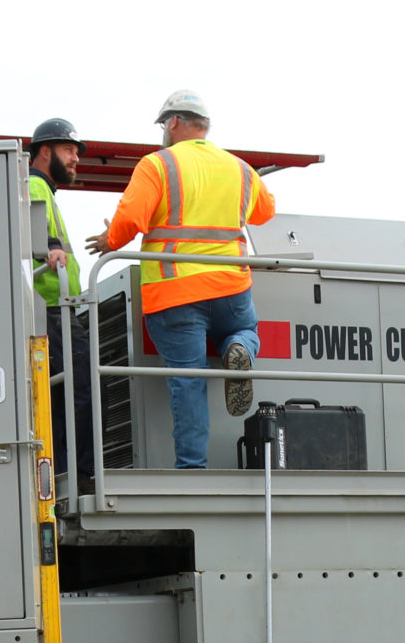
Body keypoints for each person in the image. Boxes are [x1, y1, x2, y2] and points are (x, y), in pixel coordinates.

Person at [86, 89, 276, 468]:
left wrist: (109, 240)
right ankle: (237, 348)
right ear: (204, 127)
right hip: (231, 287)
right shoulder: (239, 169)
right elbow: (265, 212)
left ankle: (193, 469)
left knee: (187, 381)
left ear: (173, 122)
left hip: (175, 292)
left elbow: (130, 220)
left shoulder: (158, 165)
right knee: (247, 331)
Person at [27, 117, 97, 490]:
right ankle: (80, 475)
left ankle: (65, 468)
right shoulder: (36, 184)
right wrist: (52, 248)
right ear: (44, 151)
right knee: (81, 387)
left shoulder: (43, 189)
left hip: (55, 308)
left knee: (64, 392)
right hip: (55, 308)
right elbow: (43, 238)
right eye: (69, 150)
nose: (75, 159)